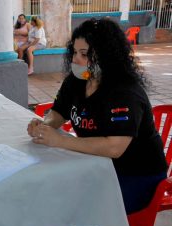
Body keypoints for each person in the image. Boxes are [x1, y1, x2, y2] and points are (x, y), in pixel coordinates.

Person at [27, 18, 168, 214]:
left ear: (106, 56)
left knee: (82, 206)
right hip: (99, 164)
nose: (76, 59)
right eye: (74, 52)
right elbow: (59, 111)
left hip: (138, 174)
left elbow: (114, 147)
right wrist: (44, 126)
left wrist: (59, 140)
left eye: (84, 54)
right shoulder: (77, 80)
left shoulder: (124, 92)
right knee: (53, 190)